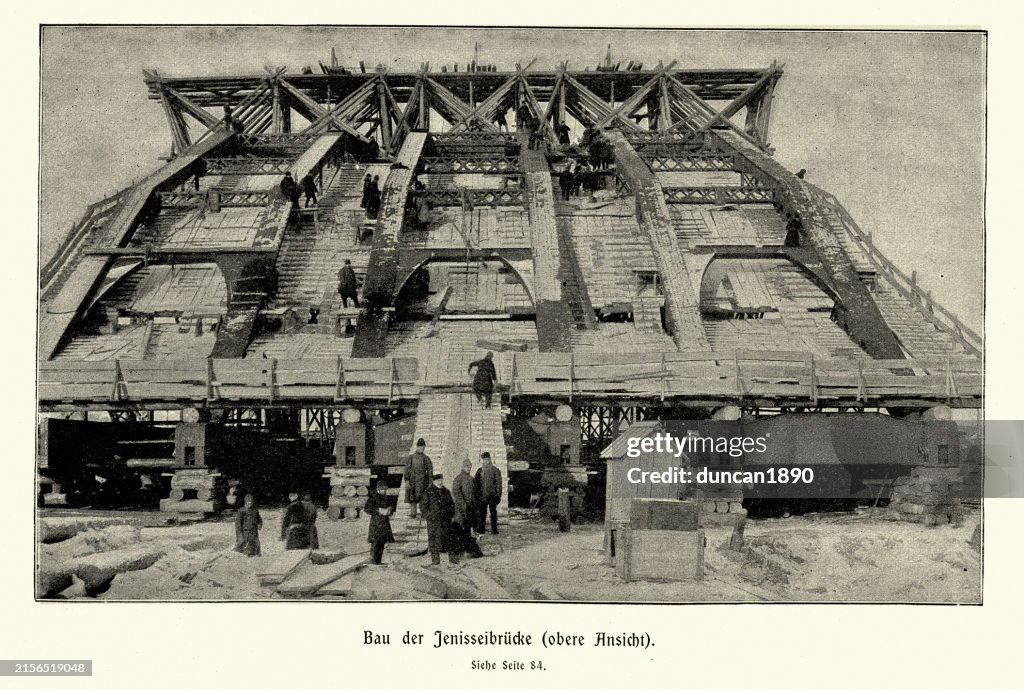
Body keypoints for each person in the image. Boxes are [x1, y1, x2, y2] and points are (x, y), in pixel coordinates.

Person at [420, 473, 459, 566]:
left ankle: (452, 559)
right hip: (433, 521)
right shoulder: (428, 492)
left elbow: (452, 505)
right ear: (434, 481)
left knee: (449, 539)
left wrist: (451, 514)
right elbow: (423, 506)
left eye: (441, 480)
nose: (440, 482)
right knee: (433, 540)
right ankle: (435, 560)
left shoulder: (446, 491)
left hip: (445, 520)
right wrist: (429, 516)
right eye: (438, 481)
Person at [452, 459, 483, 558]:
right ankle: (459, 552)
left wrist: (475, 505)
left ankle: (470, 551)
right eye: (466, 466)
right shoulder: (458, 479)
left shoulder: (471, 479)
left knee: (469, 531)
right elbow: (456, 493)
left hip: (470, 509)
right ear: (462, 467)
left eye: (469, 466)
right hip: (461, 510)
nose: (468, 468)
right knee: (461, 530)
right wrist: (463, 505)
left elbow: (474, 494)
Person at [364, 478, 394, 565]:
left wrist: (389, 509)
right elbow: (367, 509)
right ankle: (373, 560)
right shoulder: (373, 497)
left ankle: (379, 561)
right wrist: (378, 510)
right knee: (375, 541)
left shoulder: (385, 497)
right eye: (383, 489)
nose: (384, 491)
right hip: (376, 522)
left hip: (384, 522)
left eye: (385, 489)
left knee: (382, 541)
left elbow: (391, 505)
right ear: (378, 489)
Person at [402, 438, 434, 518]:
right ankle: (413, 513)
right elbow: (407, 470)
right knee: (412, 498)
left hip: (423, 481)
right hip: (413, 481)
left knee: (424, 498)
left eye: (423, 447)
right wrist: (407, 480)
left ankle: (424, 513)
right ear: (417, 447)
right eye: (420, 447)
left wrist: (430, 482)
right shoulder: (411, 458)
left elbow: (430, 471)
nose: (421, 449)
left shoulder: (426, 458)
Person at [474, 452, 503, 535]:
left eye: (487, 459)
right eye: (484, 460)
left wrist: (498, 495)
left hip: (492, 496)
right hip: (482, 496)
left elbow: (499, 484)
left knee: (493, 513)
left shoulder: (495, 470)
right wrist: (477, 495)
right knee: (482, 513)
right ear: (482, 460)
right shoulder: (479, 470)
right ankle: (481, 530)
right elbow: (476, 484)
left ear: (490, 459)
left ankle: (494, 529)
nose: (485, 461)